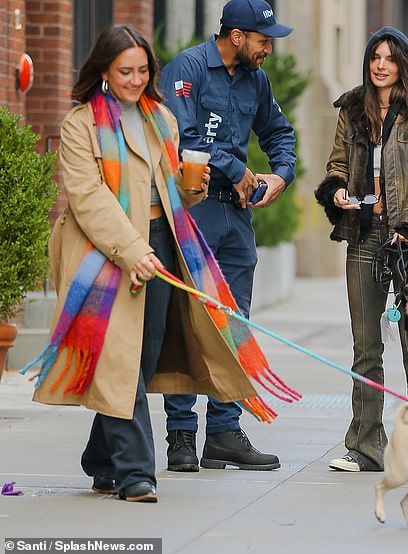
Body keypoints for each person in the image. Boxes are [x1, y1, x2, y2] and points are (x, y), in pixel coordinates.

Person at [24, 24, 260, 502]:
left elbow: (173, 190)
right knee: (121, 360)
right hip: (102, 251)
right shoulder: (80, 124)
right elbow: (89, 199)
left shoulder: (161, 119)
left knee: (142, 356)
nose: (135, 79)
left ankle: (100, 458)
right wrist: (132, 250)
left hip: (162, 241)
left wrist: (192, 188)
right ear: (105, 72)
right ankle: (136, 473)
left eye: (142, 70)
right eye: (124, 71)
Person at [158, 0, 296, 472]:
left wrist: (279, 174)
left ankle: (223, 430)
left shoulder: (257, 80)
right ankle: (181, 435)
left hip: (237, 217)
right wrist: (237, 167)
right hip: (194, 208)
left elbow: (280, 133)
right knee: (189, 318)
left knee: (235, 321)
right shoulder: (189, 69)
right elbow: (182, 135)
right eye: (264, 39)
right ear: (237, 36)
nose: (269, 49)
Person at [314, 27, 408, 472]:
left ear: (403, 64)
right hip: (364, 233)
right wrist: (335, 190)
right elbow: (336, 162)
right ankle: (366, 445)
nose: (380, 64)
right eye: (375, 56)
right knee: (366, 346)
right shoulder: (352, 108)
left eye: (390, 58)